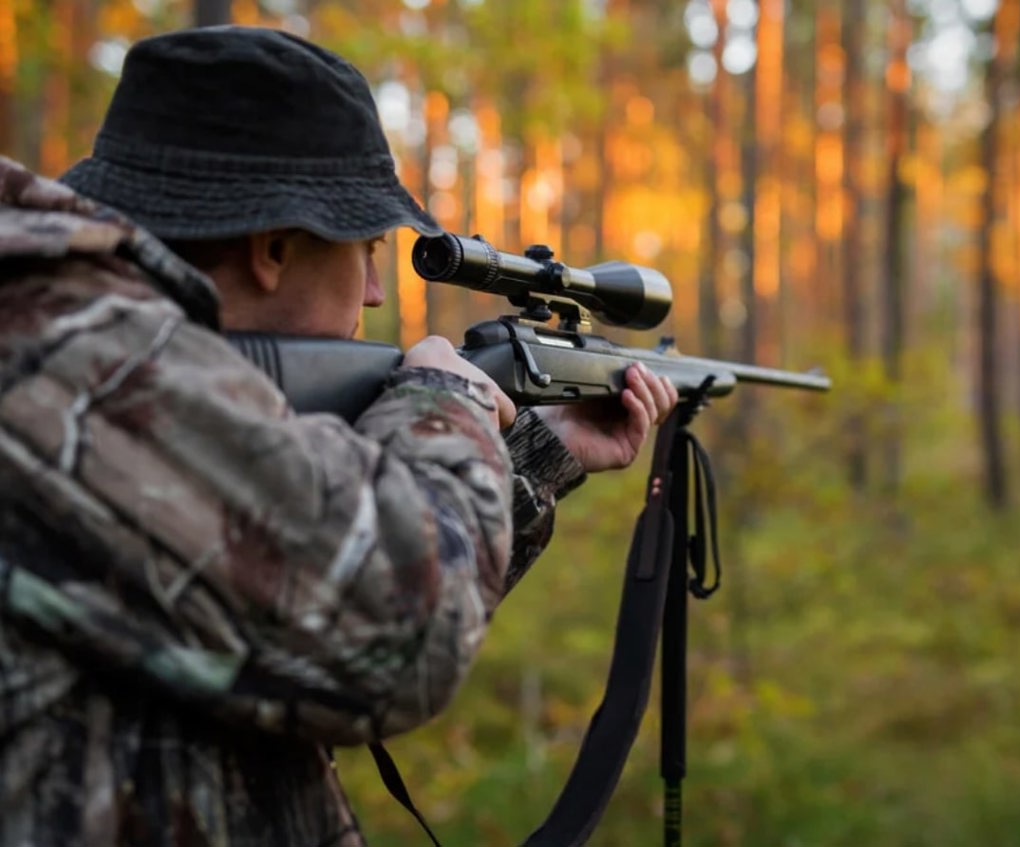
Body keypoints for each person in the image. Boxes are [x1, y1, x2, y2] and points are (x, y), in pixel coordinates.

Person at [0, 25, 677, 847]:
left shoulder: (78, 346)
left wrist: (536, 453)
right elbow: (394, 638)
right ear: (275, 249)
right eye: (366, 250)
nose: (375, 295)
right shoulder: (67, 352)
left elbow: (295, 605)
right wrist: (445, 400)